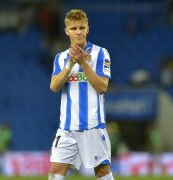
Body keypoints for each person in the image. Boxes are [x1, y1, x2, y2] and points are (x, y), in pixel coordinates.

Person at [49, 9, 114, 180]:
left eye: (81, 27)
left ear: (87, 29)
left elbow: (102, 87)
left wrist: (83, 63)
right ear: (66, 31)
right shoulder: (61, 58)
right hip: (67, 128)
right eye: (74, 28)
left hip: (92, 126)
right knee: (55, 170)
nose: (78, 32)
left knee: (101, 172)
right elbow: (54, 87)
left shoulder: (101, 53)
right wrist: (70, 64)